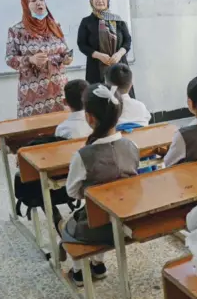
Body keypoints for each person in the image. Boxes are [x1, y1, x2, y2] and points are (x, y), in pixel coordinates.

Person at [58, 83, 140, 286]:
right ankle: (98, 264)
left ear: (89, 117)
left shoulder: (82, 155)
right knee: (100, 213)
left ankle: (78, 273)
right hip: (127, 219)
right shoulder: (132, 146)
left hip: (98, 227)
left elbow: (72, 191)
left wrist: (90, 193)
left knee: (70, 223)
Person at [5, 0, 72, 118]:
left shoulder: (55, 26)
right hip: (34, 94)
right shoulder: (17, 31)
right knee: (35, 131)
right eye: (33, 1)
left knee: (62, 128)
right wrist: (30, 59)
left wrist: (67, 58)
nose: (39, 3)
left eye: (41, 0)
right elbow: (10, 59)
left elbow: (64, 51)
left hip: (59, 88)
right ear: (25, 5)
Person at [77, 0, 133, 97]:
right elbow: (82, 44)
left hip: (119, 66)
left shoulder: (118, 20)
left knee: (123, 101)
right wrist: (99, 55)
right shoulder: (86, 22)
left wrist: (119, 54)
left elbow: (127, 40)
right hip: (96, 69)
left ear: (108, 0)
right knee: (100, 103)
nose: (100, 0)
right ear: (91, 1)